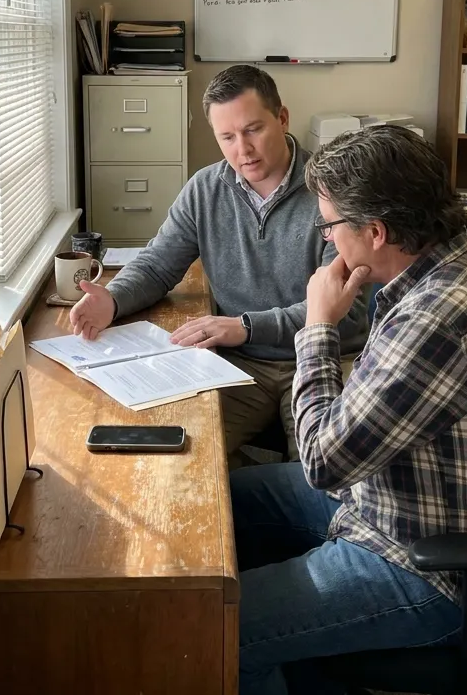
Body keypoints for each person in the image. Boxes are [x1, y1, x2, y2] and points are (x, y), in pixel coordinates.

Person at [231, 124, 467, 695]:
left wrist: (316, 327)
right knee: (233, 505)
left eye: (329, 227)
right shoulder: (444, 267)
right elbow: (364, 425)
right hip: (401, 498)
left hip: (437, 567)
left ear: (375, 232)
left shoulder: (438, 317)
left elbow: (324, 460)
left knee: (225, 628)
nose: (326, 241)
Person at [69, 64, 367, 461]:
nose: (242, 150)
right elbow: (159, 265)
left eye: (252, 130)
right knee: (179, 452)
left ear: (282, 118)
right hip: (241, 365)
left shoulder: (331, 194)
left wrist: (244, 327)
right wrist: (113, 298)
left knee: (321, 477)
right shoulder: (206, 189)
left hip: (325, 358)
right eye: (226, 137)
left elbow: (342, 311)